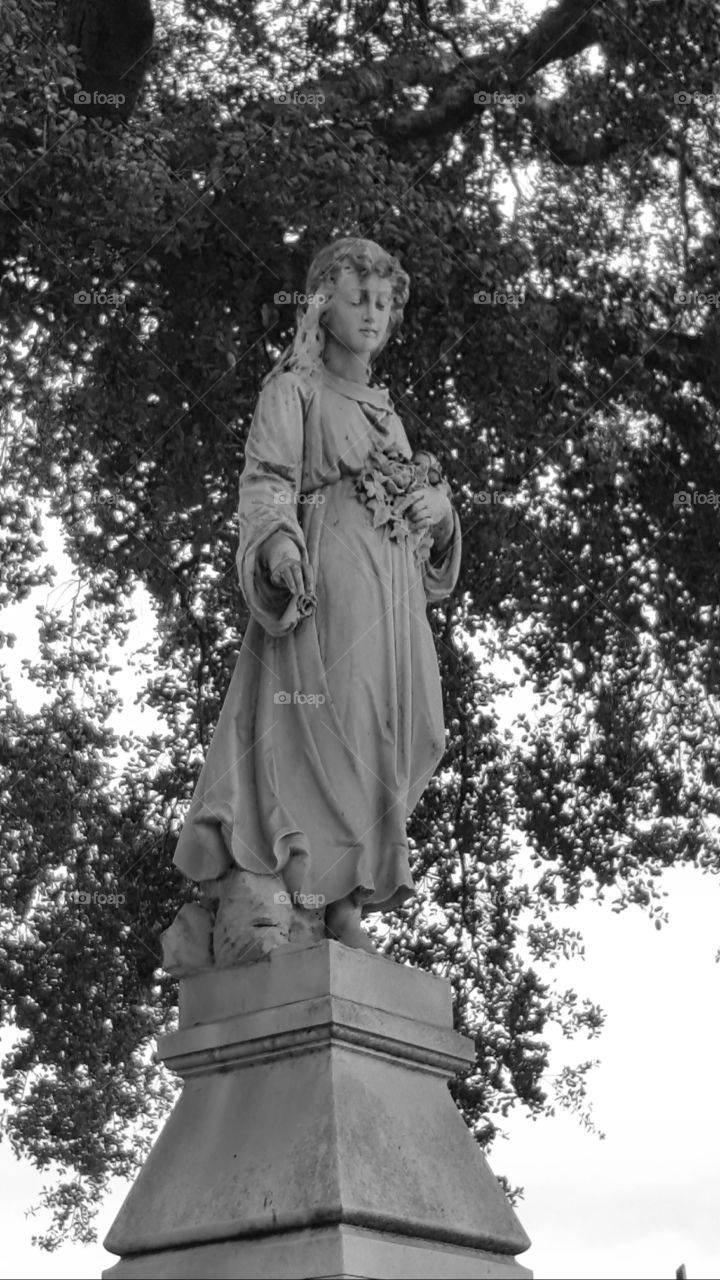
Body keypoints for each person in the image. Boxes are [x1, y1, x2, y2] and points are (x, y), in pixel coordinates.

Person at [173, 236, 461, 952]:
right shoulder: (293, 388)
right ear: (321, 304)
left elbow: (429, 521)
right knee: (342, 723)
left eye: (383, 302)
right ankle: (319, 897)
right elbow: (266, 480)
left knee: (415, 728)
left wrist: (442, 514)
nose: (371, 312)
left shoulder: (388, 413)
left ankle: (350, 890)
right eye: (356, 297)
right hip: (333, 577)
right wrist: (275, 543)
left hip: (395, 590)